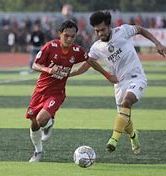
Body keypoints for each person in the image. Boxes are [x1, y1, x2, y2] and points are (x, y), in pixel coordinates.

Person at [70, 11, 166, 155]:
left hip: (137, 77)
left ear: (109, 26)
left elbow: (140, 30)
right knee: (124, 117)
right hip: (119, 83)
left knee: (127, 102)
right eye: (97, 31)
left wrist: (158, 43)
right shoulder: (96, 47)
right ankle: (134, 136)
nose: (100, 33)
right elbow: (87, 64)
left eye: (102, 30)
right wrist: (69, 74)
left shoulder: (122, 31)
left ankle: (113, 139)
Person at [26, 20, 117, 163]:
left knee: (41, 119)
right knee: (34, 123)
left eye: (72, 36)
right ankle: (38, 150)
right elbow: (35, 65)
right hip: (40, 91)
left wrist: (107, 75)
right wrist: (49, 69)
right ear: (59, 34)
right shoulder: (50, 47)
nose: (69, 39)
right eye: (66, 36)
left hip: (57, 92)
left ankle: (48, 123)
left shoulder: (77, 51)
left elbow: (91, 61)